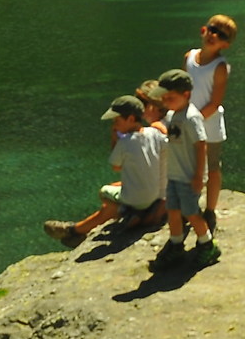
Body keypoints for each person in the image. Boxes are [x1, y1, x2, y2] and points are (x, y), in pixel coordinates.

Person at [45, 94, 165, 247]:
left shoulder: (125, 142)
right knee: (117, 187)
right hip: (155, 194)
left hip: (136, 199)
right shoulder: (154, 133)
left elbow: (116, 166)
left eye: (117, 121)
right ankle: (127, 214)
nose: (114, 125)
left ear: (130, 119)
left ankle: (124, 215)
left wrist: (114, 139)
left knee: (104, 192)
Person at [152, 69, 217, 268]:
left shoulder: (191, 117)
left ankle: (207, 244)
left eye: (170, 97)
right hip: (174, 174)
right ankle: (176, 243)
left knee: (191, 212)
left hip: (188, 176)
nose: (165, 101)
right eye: (163, 97)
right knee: (172, 210)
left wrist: (199, 175)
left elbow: (201, 145)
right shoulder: (173, 115)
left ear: (186, 95)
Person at [186, 15, 234, 222]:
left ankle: (210, 210)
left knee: (212, 167)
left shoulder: (219, 67)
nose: (214, 35)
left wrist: (193, 119)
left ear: (226, 44)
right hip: (188, 121)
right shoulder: (189, 57)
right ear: (203, 30)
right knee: (189, 165)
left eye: (221, 35)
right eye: (212, 29)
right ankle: (190, 205)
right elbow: (183, 90)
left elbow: (214, 102)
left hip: (210, 123)